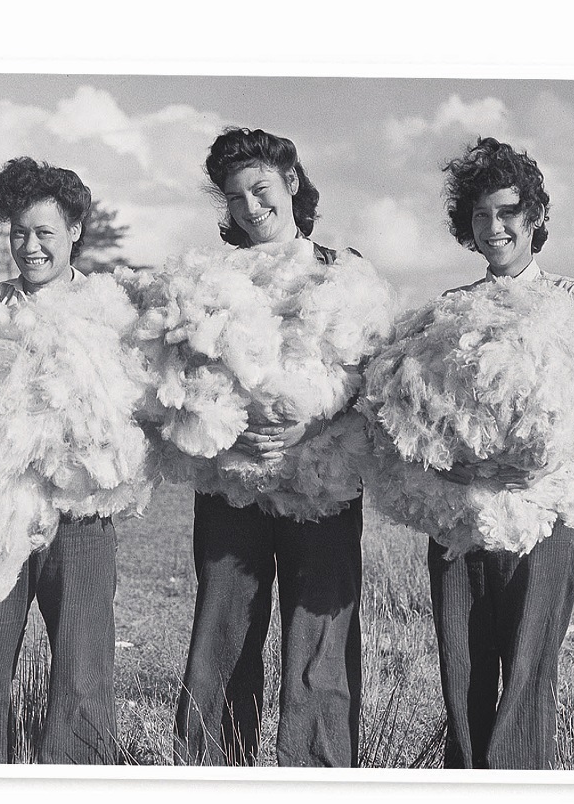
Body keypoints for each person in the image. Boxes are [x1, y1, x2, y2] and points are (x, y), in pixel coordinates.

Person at [172, 128, 365, 767]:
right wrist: (221, 421)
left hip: (322, 488)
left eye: (261, 190)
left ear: (291, 184)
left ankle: (318, 776)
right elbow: (180, 377)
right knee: (222, 640)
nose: (251, 208)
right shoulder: (210, 280)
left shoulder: (342, 271)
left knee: (319, 646)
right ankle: (212, 774)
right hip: (234, 487)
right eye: (235, 198)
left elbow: (364, 369)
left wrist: (308, 418)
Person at [423, 137, 574, 769]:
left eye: (506, 212)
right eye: (479, 215)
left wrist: (530, 464)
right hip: (461, 518)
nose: (493, 227)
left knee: (529, 671)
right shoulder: (449, 309)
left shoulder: (572, 301)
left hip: (543, 517)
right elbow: (410, 417)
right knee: (462, 667)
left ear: (534, 218)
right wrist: (457, 462)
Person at [0, 157, 119, 764]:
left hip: (81, 516)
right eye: (19, 233)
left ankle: (76, 776)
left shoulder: (110, 311)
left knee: (83, 663)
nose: (30, 247)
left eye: (45, 234)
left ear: (75, 234)